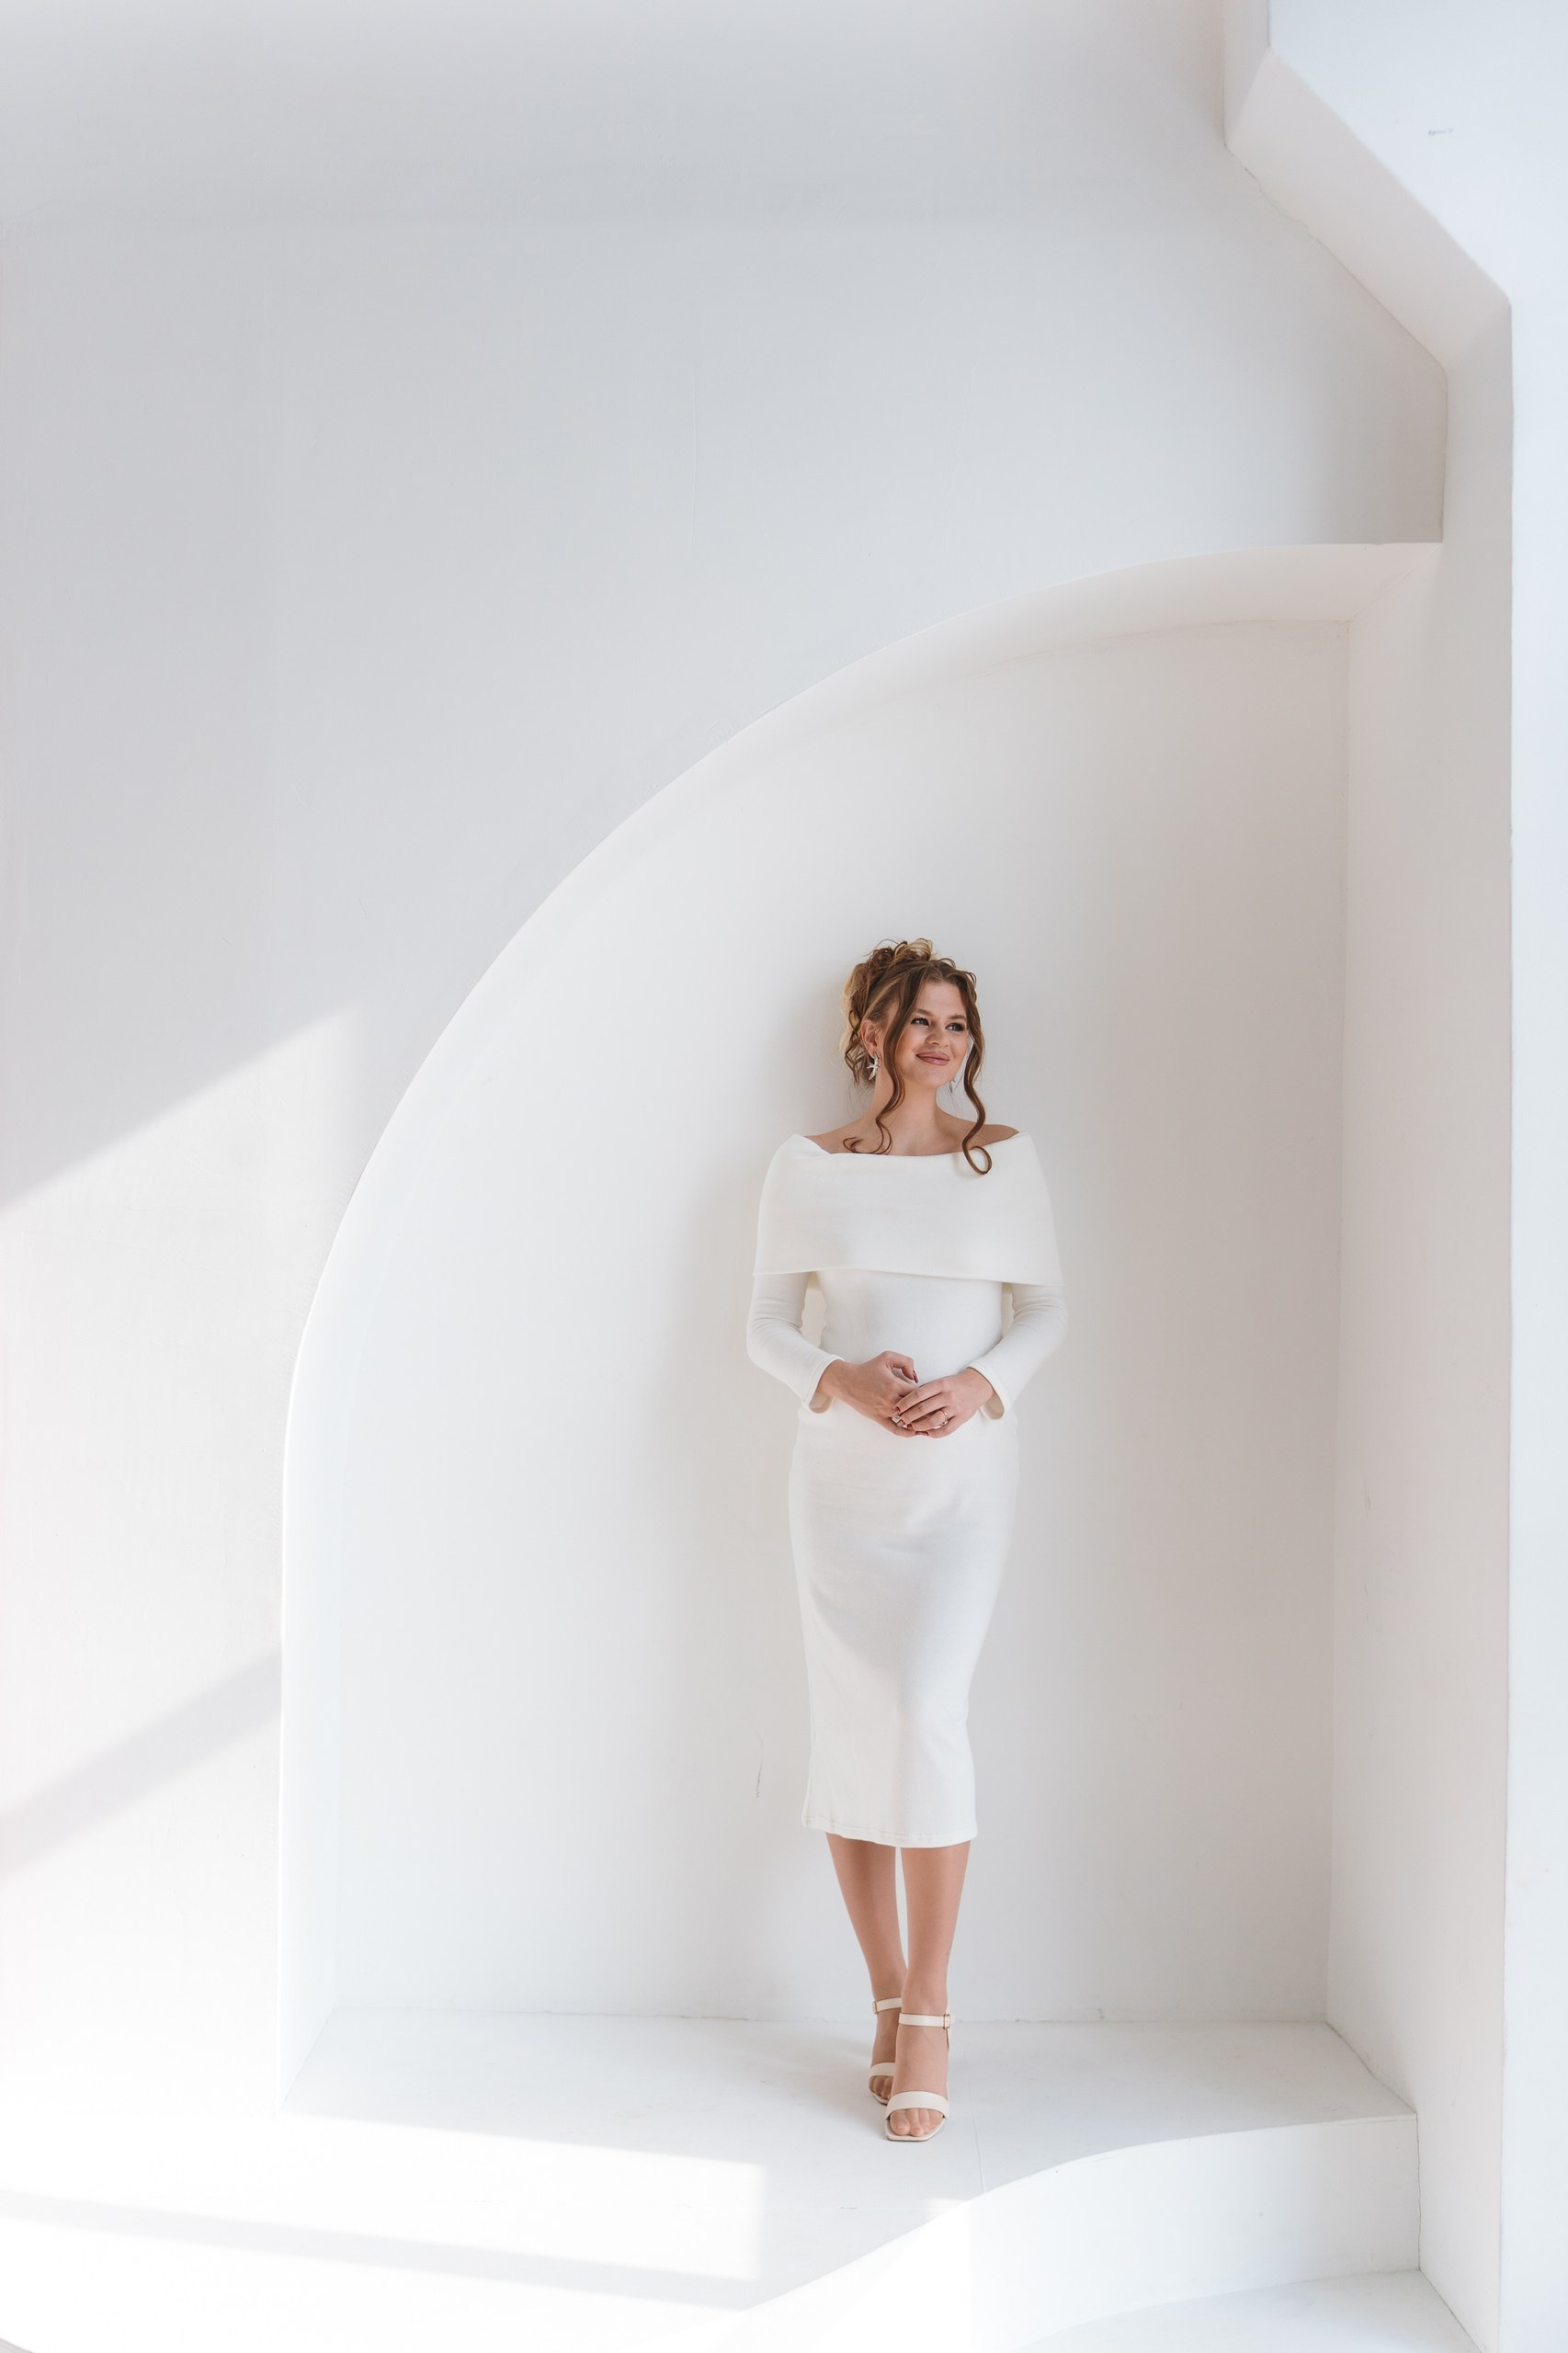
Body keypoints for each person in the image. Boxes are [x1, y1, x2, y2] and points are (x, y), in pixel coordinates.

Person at [745, 938, 1069, 2142]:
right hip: (842, 1485)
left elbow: (1045, 1311)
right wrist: (842, 1378)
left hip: (962, 1485)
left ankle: (930, 2007)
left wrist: (979, 1387)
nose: (942, 1042)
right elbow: (765, 1326)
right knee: (856, 1722)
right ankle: (882, 1994)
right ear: (872, 1035)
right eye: (920, 1021)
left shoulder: (1004, 1161)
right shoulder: (804, 1166)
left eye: (957, 1024)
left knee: (927, 1708)